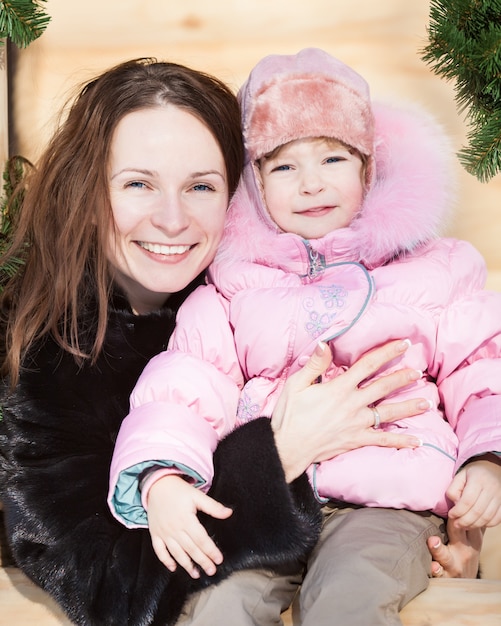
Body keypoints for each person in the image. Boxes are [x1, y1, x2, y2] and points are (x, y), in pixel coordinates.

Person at [0, 56, 455, 626]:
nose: (172, 219)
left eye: (201, 186)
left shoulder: (261, 297)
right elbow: (112, 587)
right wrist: (278, 452)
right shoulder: (47, 358)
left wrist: (448, 520)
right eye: (138, 183)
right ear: (87, 193)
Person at [108, 49, 501, 626]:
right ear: (256, 183)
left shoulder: (434, 270)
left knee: (347, 600)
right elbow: (187, 380)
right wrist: (161, 475)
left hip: (388, 499)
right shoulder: (233, 285)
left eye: (333, 158)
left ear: (369, 167)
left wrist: (488, 458)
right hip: (274, 499)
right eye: (284, 167)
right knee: (219, 605)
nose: (312, 183)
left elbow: (483, 364)